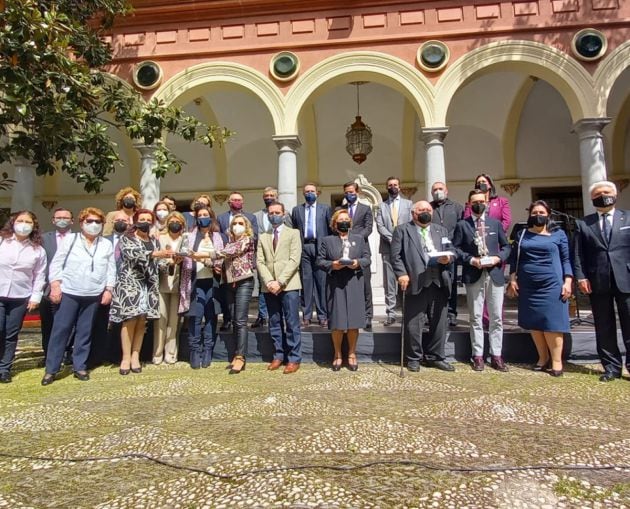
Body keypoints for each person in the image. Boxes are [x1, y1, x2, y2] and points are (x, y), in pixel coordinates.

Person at [41, 208, 116, 385]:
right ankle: (51, 369)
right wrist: (55, 284)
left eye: (98, 222)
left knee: (85, 331)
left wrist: (109, 289)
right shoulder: (70, 239)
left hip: (93, 293)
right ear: (82, 223)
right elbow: (57, 263)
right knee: (61, 331)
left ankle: (79, 366)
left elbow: (111, 268)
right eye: (89, 221)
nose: (94, 225)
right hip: (69, 292)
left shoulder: (105, 244)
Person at [507, 200, 572, 377]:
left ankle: (557, 361)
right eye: (535, 213)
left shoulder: (558, 234)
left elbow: (566, 259)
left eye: (542, 213)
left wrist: (568, 281)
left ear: (548, 214)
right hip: (528, 285)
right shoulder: (521, 235)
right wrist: (512, 279)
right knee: (535, 323)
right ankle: (542, 358)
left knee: (552, 323)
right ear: (530, 215)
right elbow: (514, 259)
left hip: (552, 284)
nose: (538, 216)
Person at [573, 181, 630, 382]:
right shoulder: (583, 223)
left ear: (615, 195)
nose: (603, 195)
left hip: (626, 278)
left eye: (606, 192)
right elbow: (578, 254)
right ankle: (611, 367)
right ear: (592, 199)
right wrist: (581, 277)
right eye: (598, 193)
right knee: (604, 326)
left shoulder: (628, 217)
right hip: (598, 280)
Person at [391, 201, 455, 372]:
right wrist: (401, 274)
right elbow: (395, 256)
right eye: (421, 210)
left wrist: (449, 258)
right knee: (413, 323)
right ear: (413, 213)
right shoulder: (402, 230)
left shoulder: (441, 230)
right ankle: (413, 357)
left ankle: (436, 356)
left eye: (428, 210)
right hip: (415, 281)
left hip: (439, 281)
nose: (425, 212)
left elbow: (451, 250)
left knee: (439, 322)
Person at [453, 189, 511, 372]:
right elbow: (455, 249)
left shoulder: (495, 224)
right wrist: (471, 260)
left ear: (486, 202)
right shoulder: (463, 225)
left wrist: (499, 258)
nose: (479, 204)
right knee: (476, 317)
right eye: (474, 202)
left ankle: (496, 355)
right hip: (474, 273)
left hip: (494, 273)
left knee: (496, 317)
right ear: (469, 204)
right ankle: (477, 355)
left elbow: (507, 246)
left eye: (481, 201)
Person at [110, 209, 169, 375]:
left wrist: (169, 261)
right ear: (135, 221)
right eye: (142, 219)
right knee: (129, 321)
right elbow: (133, 255)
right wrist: (156, 254)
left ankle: (136, 356)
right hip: (130, 284)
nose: (145, 222)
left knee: (142, 322)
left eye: (148, 220)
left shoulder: (154, 240)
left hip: (149, 285)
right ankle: (125, 358)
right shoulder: (126, 238)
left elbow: (158, 263)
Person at [317, 209, 370, 371]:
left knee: (353, 322)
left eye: (347, 219)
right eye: (341, 220)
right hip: (335, 283)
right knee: (338, 322)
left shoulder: (359, 239)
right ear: (334, 224)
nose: (344, 222)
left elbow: (367, 258)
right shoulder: (327, 240)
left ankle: (352, 354)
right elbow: (320, 260)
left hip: (354, 281)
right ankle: (338, 354)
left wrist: (357, 262)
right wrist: (332, 265)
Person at [0, 211, 47, 383]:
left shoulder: (37, 250)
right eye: (20, 221)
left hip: (20, 296)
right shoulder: (2, 242)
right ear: (13, 222)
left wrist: (36, 296)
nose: (24, 224)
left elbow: (39, 275)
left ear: (34, 226)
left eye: (28, 222)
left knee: (11, 334)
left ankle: (5, 368)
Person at [256, 201, 302, 374]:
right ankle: (278, 355)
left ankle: (294, 358)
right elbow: (260, 261)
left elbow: (294, 260)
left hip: (288, 285)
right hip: (269, 287)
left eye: (277, 212)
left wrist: (280, 281)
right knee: (274, 322)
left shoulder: (293, 233)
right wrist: (269, 281)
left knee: (291, 323)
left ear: (284, 214)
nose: (273, 215)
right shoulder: (263, 236)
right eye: (271, 212)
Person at [212, 214, 256, 374]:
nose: (237, 226)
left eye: (240, 223)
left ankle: (240, 357)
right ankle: (236, 352)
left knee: (240, 320)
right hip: (229, 283)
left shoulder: (247, 240)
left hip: (244, 282)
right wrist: (209, 262)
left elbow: (230, 252)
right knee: (231, 317)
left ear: (246, 226)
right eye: (234, 224)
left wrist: (206, 254)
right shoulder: (229, 242)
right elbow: (220, 259)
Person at [187, 205, 224, 368]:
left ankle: (208, 349)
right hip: (194, 281)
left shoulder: (218, 236)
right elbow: (187, 255)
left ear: (211, 217)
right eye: (200, 215)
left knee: (211, 316)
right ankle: (195, 350)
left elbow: (222, 257)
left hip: (213, 281)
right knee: (195, 316)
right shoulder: (189, 236)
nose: (203, 217)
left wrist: (211, 262)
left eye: (206, 215)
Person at [291, 183, 332, 327]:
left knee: (321, 283)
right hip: (304, 247)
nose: (310, 193)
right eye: (307, 191)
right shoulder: (297, 210)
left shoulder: (325, 209)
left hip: (320, 247)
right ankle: (306, 316)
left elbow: (330, 229)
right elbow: (295, 229)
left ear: (317, 193)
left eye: (312, 191)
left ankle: (322, 315)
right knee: (306, 282)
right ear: (303, 193)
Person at [217, 191, 258, 331]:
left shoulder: (250, 219)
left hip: (243, 271)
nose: (236, 202)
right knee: (229, 305)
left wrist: (204, 255)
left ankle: (240, 351)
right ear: (229, 202)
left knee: (240, 317)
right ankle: (227, 320)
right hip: (226, 269)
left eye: (239, 200)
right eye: (234, 200)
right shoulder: (221, 218)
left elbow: (254, 237)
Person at [252, 187, 291, 329]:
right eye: (266, 195)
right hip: (263, 254)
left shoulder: (286, 215)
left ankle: (282, 316)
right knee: (264, 285)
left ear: (277, 196)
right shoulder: (256, 215)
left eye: (271, 195)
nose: (269, 197)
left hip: (281, 257)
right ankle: (262, 316)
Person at [153, 211, 189, 365]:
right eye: (172, 221)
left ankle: (171, 352)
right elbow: (155, 258)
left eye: (178, 221)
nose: (175, 224)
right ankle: (157, 352)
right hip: (162, 282)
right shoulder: (159, 238)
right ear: (167, 223)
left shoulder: (185, 238)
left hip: (179, 283)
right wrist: (168, 262)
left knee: (174, 321)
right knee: (161, 318)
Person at [376, 176, 412, 326]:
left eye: (395, 184)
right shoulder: (381, 206)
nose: (393, 187)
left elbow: (411, 223)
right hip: (388, 248)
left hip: (406, 249)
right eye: (390, 185)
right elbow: (380, 225)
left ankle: (407, 313)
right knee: (390, 283)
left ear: (400, 186)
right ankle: (391, 313)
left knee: (406, 281)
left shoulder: (409, 204)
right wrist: (393, 239)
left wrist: (401, 240)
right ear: (387, 187)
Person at [40, 207, 74, 361]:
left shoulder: (77, 239)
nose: (62, 220)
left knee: (69, 323)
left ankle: (67, 353)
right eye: (59, 217)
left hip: (71, 287)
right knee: (48, 323)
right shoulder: (43, 239)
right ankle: (49, 354)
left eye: (66, 218)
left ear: (72, 221)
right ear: (53, 220)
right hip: (47, 289)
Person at [430, 181, 464, 327]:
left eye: (440, 189)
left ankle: (451, 312)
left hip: (451, 249)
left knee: (450, 282)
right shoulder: (429, 208)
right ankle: (432, 313)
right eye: (435, 190)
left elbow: (461, 228)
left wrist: (456, 247)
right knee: (433, 282)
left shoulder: (457, 207)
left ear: (446, 191)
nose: (438, 191)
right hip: (433, 251)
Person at [341, 181, 374, 329]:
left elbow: (368, 228)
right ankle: (351, 314)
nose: (349, 195)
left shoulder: (366, 209)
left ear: (357, 192)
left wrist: (355, 239)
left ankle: (368, 316)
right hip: (343, 251)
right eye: (347, 193)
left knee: (365, 285)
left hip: (361, 251)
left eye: (352, 192)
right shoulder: (340, 210)